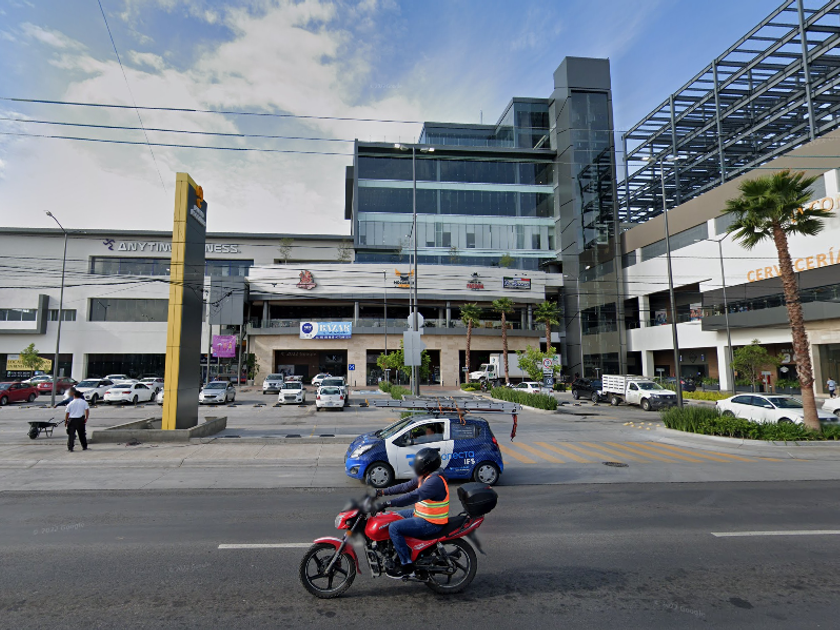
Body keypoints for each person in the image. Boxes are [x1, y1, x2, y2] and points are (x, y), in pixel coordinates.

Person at [376, 448, 449, 578]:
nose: (416, 466)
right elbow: (405, 486)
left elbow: (412, 496)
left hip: (432, 522)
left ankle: (407, 565)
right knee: (392, 516)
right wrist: (382, 492)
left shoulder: (434, 481)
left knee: (394, 527)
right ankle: (399, 549)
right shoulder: (425, 476)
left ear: (427, 466)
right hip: (421, 514)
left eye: (419, 464)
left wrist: (388, 503)